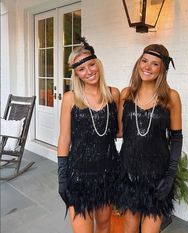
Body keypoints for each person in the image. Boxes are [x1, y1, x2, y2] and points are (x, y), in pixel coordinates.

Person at [116, 44, 182, 233]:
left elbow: (176, 138)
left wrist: (170, 175)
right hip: (128, 172)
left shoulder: (171, 97)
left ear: (163, 69)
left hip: (157, 175)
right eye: (144, 61)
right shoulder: (126, 94)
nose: (147, 67)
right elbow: (118, 132)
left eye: (155, 64)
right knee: (130, 228)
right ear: (139, 62)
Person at [57, 37, 120, 233]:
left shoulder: (114, 94)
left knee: (103, 226)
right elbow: (64, 138)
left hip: (107, 173)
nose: (89, 71)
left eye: (91, 65)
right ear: (76, 74)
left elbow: (119, 132)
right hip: (79, 175)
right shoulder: (70, 99)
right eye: (81, 69)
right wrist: (62, 177)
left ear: (97, 64)